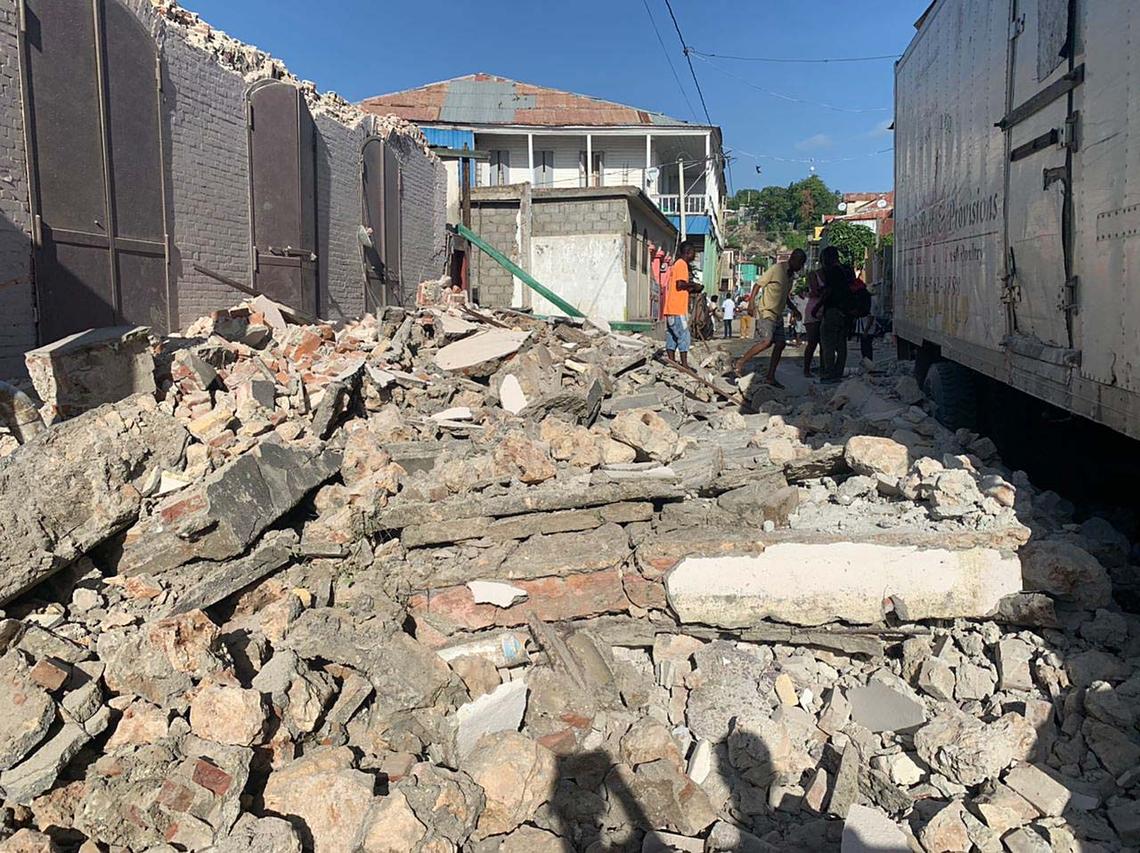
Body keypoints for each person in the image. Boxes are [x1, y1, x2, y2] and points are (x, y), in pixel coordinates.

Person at [733, 249, 807, 387]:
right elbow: (758, 285)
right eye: (800, 263)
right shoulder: (777, 269)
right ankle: (740, 363)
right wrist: (751, 303)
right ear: (794, 259)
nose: (801, 267)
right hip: (766, 311)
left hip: (778, 314)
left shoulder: (791, 276)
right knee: (766, 341)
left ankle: (770, 377)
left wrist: (794, 309)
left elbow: (785, 297)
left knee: (780, 344)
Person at [815, 260, 857, 384]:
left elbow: (826, 294)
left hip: (832, 313)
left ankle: (829, 372)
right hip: (844, 313)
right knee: (841, 345)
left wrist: (816, 308)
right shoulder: (845, 274)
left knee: (828, 344)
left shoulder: (832, 273)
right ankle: (838, 372)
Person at [663, 241, 701, 368]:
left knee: (672, 336)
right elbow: (680, 284)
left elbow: (679, 286)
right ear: (688, 252)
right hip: (677, 308)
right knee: (684, 335)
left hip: (670, 308)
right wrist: (693, 285)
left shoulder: (676, 264)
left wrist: (692, 288)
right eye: (693, 253)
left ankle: (672, 362)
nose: (694, 256)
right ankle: (684, 364)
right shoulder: (682, 264)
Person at [803, 246, 838, 377]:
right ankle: (806, 369)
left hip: (826, 310)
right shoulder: (814, 274)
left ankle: (825, 368)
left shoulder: (832, 274)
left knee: (825, 344)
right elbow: (815, 290)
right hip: (814, 310)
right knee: (812, 342)